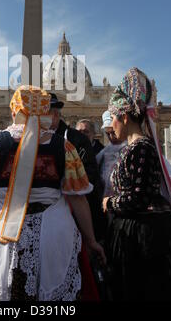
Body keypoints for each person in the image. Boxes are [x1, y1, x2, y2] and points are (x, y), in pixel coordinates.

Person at [0, 85, 105, 301]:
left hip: (1, 237)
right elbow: (78, 197)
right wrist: (91, 240)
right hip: (54, 237)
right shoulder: (64, 147)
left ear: (14, 109)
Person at [102, 67, 171, 301]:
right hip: (136, 232)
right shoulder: (136, 147)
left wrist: (109, 202)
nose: (111, 126)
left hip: (144, 238)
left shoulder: (141, 147)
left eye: (113, 118)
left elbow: (139, 197)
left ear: (124, 117)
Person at [48, 94, 105, 242]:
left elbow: (90, 176)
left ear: (55, 114)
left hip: (73, 213)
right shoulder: (35, 137)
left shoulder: (77, 139)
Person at [96, 111, 127, 199]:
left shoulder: (133, 148)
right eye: (107, 133)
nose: (111, 137)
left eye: (113, 132)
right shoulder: (103, 153)